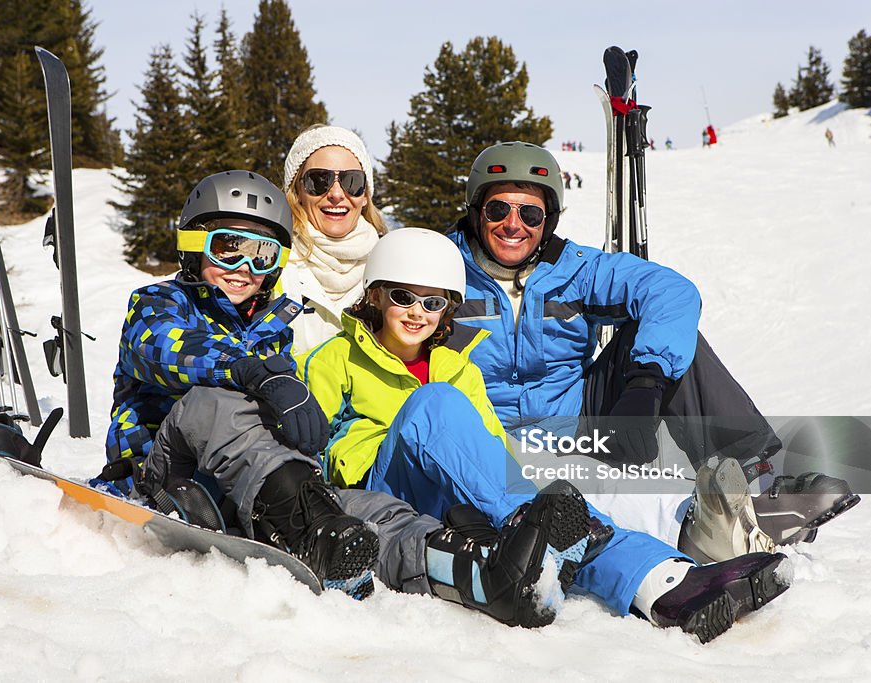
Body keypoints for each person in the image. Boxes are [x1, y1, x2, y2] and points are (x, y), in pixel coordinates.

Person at [105, 169, 600, 628]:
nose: (243, 268)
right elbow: (166, 350)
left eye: (263, 255)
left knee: (377, 513)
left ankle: (477, 572)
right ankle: (312, 525)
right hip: (168, 468)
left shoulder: (271, 329)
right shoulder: (159, 305)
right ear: (193, 248)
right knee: (216, 399)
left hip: (265, 486)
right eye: (226, 248)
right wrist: (256, 374)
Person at [301, 227, 792, 643]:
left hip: (446, 501)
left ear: (447, 309)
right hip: (379, 494)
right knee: (435, 408)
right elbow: (307, 448)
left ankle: (666, 582)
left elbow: (495, 463)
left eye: (432, 302)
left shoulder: (458, 369)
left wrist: (530, 503)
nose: (417, 312)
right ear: (375, 295)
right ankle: (546, 529)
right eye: (402, 297)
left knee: (551, 506)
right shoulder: (335, 358)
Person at [444, 141, 860, 562]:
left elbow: (671, 291)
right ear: (477, 210)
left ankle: (755, 484)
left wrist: (645, 385)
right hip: (485, 442)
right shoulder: (443, 269)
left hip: (575, 428)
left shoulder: (573, 268)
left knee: (674, 344)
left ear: (548, 219)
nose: (513, 224)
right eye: (499, 210)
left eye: (529, 213)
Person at [280, 125, 387, 353]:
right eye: (319, 180)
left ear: (365, 195)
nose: (337, 194)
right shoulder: (272, 266)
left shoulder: (390, 265)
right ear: (297, 191)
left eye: (352, 182)